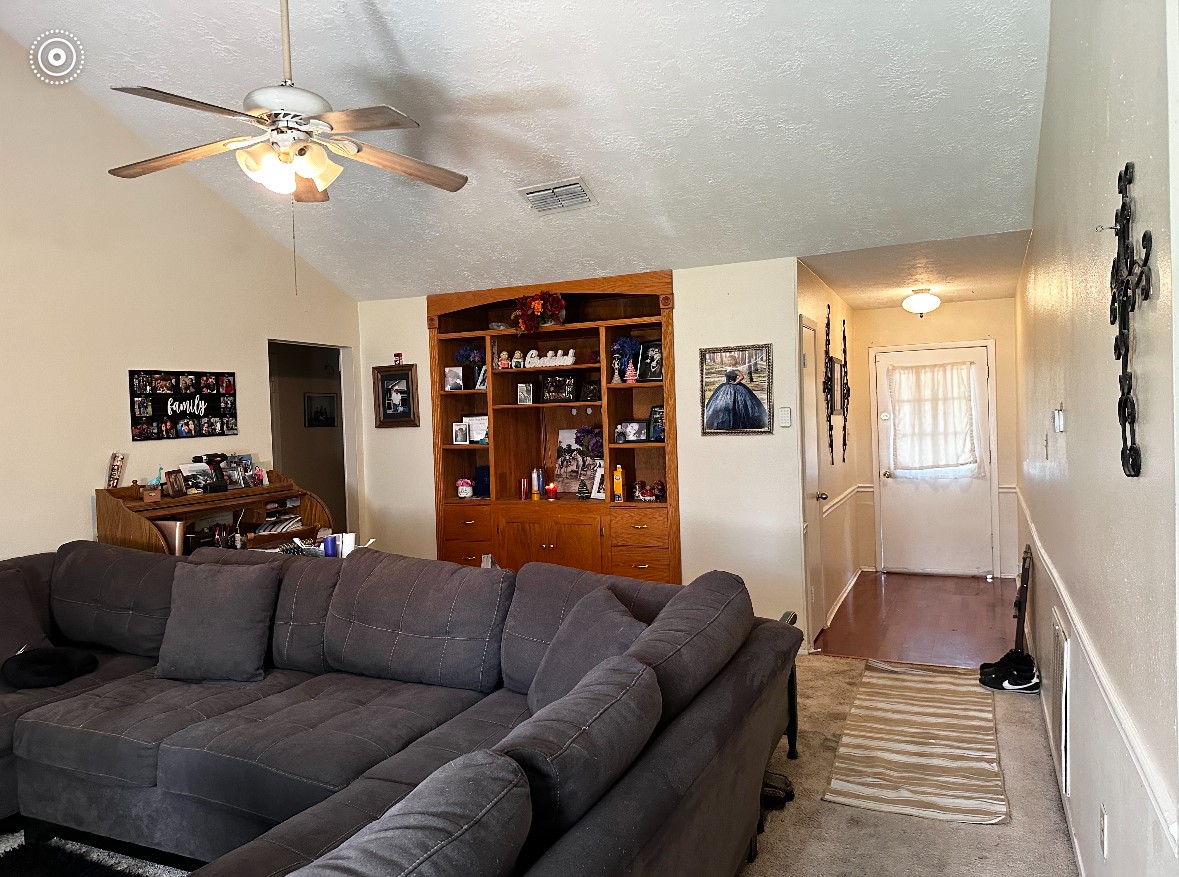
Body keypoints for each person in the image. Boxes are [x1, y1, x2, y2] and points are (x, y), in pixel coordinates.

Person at [704, 354, 768, 430]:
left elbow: (742, 376)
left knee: (736, 405)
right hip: (726, 386)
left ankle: (735, 422)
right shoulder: (728, 368)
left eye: (731, 360)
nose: (729, 361)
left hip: (734, 387)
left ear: (734, 361)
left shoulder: (735, 369)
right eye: (728, 360)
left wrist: (735, 382)